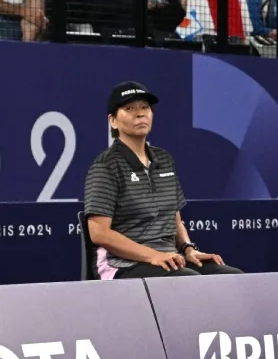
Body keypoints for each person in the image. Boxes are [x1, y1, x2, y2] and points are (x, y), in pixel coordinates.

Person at [83, 82, 244, 279]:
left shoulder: (164, 160)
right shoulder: (106, 166)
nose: (140, 114)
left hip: (168, 258)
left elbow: (174, 219)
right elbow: (99, 233)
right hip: (121, 264)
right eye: (129, 109)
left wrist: (188, 249)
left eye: (145, 107)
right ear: (113, 121)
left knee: (232, 277)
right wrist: (153, 255)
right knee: (187, 281)